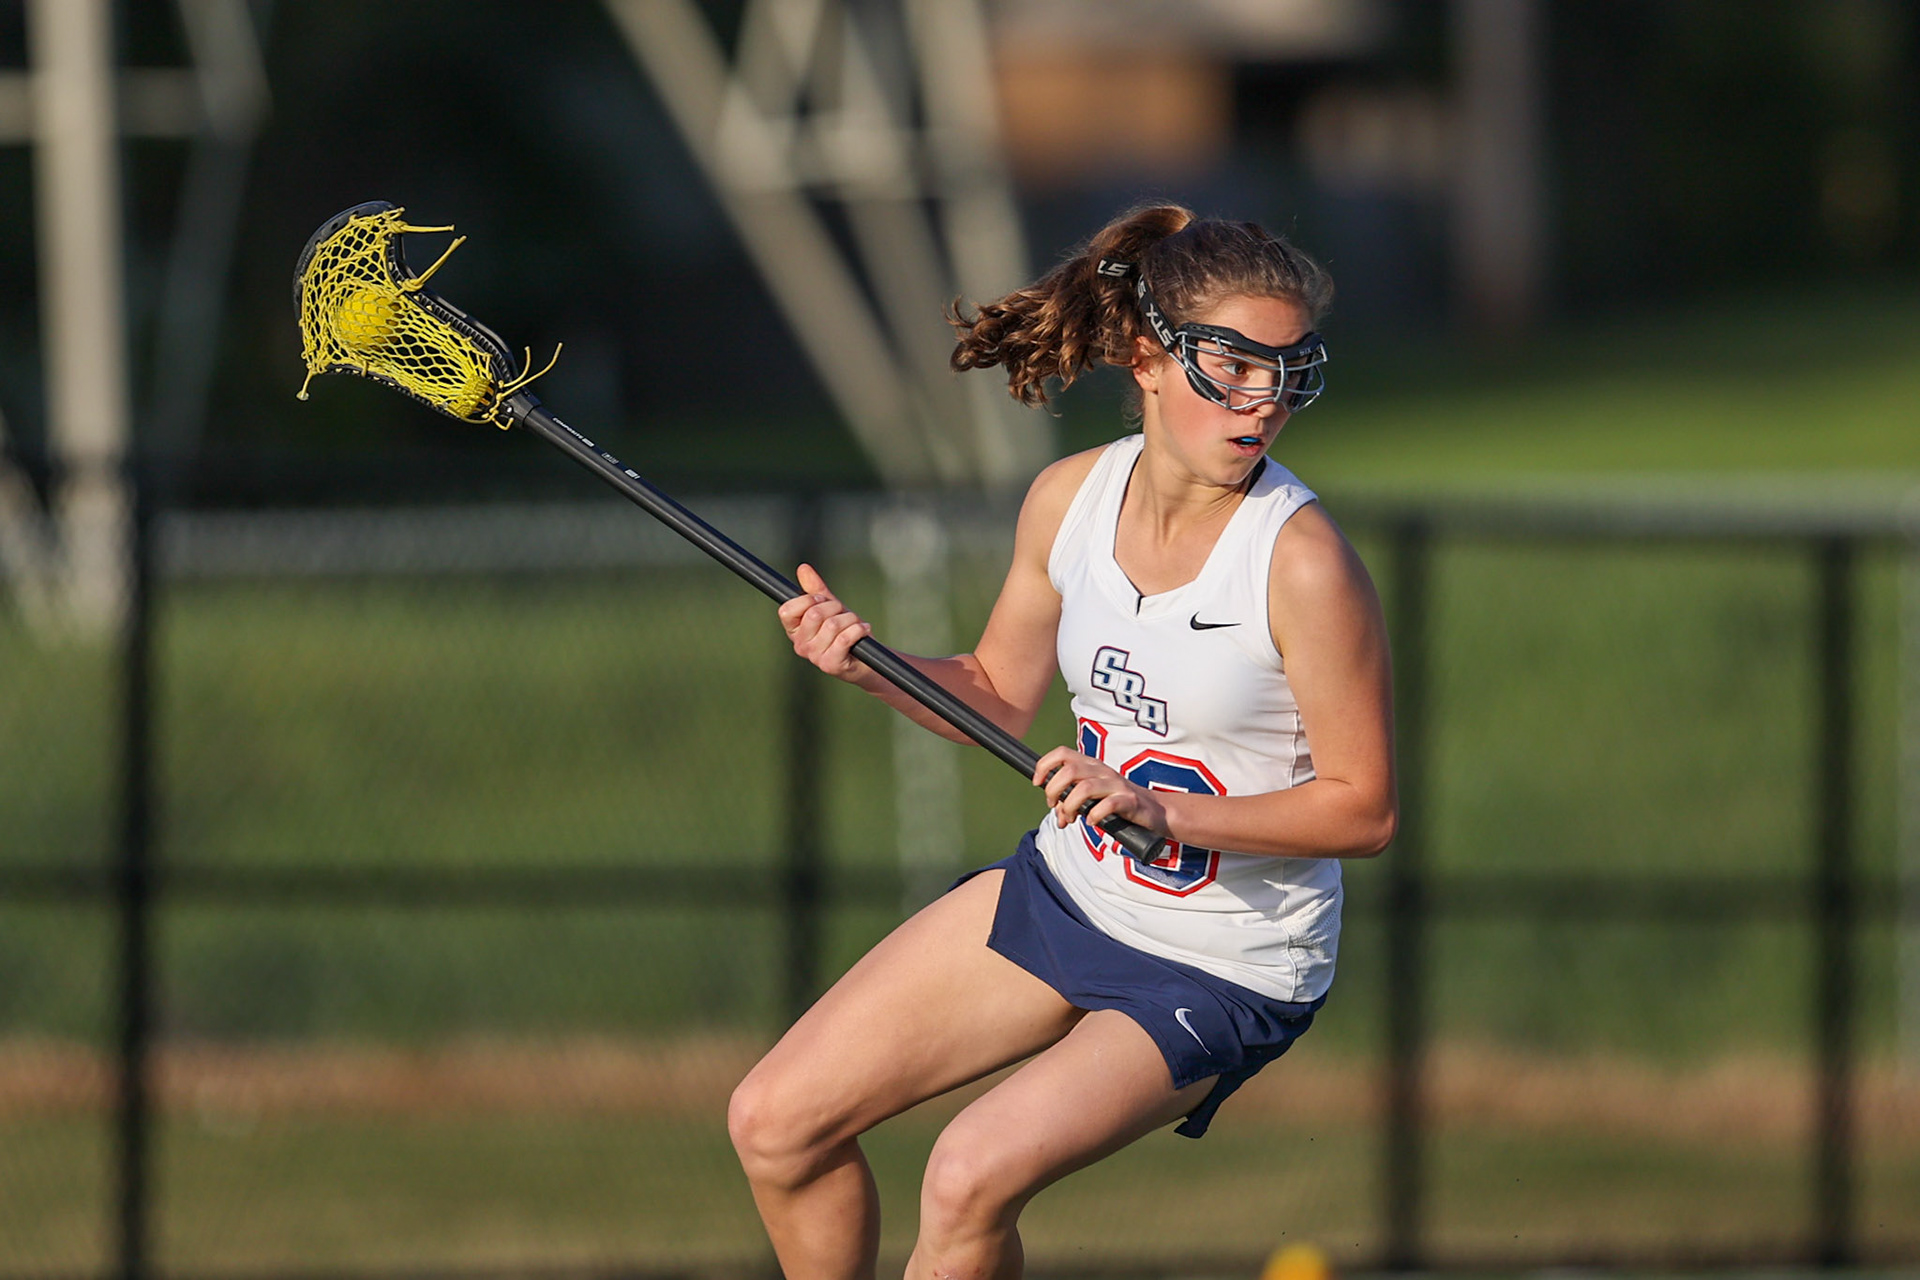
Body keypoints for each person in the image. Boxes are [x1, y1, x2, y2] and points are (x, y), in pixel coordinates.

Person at [730, 204, 1396, 1280]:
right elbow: (994, 690)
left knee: (966, 1172)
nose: (1264, 400)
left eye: (1287, 370)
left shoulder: (1301, 562)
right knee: (775, 1119)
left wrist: (1160, 807)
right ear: (1147, 355)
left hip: (1226, 956)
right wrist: (869, 661)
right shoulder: (1069, 500)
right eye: (1233, 365)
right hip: (1071, 889)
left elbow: (1363, 807)